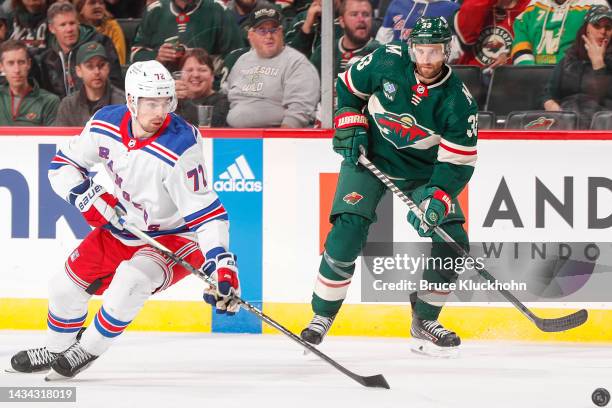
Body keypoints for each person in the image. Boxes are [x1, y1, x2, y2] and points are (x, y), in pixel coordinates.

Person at [8, 59, 240, 380]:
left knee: (131, 282)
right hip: (123, 227)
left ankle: (85, 349)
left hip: (174, 237)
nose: (160, 111)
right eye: (151, 102)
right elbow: (63, 163)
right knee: (63, 287)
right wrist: (84, 195)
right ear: (131, 100)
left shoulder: (181, 146)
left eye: (166, 101)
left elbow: (207, 212)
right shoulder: (105, 122)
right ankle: (56, 348)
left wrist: (221, 261)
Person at [300, 17, 478, 357]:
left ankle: (425, 319)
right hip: (371, 158)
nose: (426, 60)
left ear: (447, 52)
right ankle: (321, 315)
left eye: (435, 51)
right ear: (411, 48)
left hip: (423, 173)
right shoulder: (386, 59)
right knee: (348, 228)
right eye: (421, 50)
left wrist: (438, 196)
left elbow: (457, 163)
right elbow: (348, 89)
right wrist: (349, 120)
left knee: (453, 239)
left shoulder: (459, 102)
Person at [224, 4, 320, 128]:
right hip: (232, 136)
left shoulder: (296, 63)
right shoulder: (242, 61)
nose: (269, 36)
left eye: (273, 29)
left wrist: (279, 141)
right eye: (262, 30)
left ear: (281, 32)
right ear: (251, 35)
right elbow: (227, 96)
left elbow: (299, 112)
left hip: (274, 139)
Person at [542, 5, 612, 128]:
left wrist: (599, 65)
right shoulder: (569, 59)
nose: (603, 32)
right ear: (586, 29)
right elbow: (548, 94)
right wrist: (553, 107)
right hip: (566, 123)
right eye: (596, 26)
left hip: (603, 126)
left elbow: (604, 98)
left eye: (608, 27)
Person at [37, 1, 122, 98]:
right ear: (52, 28)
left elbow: (116, 84)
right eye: (63, 25)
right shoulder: (47, 57)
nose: (69, 29)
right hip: (61, 110)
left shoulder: (101, 43)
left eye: (72, 23)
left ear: (78, 23)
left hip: (98, 106)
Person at [130, 0, 244, 72]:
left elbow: (237, 55)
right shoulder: (155, 10)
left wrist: (209, 72)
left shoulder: (219, 10)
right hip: (162, 88)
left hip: (206, 91)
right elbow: (136, 53)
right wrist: (157, 58)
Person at [511, 0, 608, 65]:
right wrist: (528, 70)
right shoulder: (534, 6)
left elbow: (602, 41)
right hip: (533, 77)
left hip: (575, 77)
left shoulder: (595, 4)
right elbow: (521, 39)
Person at [54, 41, 125, 126]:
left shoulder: (123, 103)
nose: (97, 72)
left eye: (101, 65)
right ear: (78, 71)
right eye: (90, 66)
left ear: (108, 68)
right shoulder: (68, 105)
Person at [309, 0, 380, 76]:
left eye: (366, 15)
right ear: (342, 21)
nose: (361, 19)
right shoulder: (323, 52)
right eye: (354, 14)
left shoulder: (382, 53)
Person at [454, 0, 529, 69]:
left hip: (511, 79)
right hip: (473, 78)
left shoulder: (529, 10)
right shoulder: (477, 8)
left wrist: (510, 56)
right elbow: (467, 38)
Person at [0, 39, 59, 125]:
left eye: (21, 62)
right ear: (1, 67)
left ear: (29, 64)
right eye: (10, 63)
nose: (17, 70)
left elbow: (53, 137)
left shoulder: (49, 101)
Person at [174, 48, 229, 127]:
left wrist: (184, 100)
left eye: (202, 70)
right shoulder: (172, 102)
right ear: (180, 75)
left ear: (212, 76)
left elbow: (206, 125)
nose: (196, 75)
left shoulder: (223, 102)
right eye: (189, 70)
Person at [374, 0, 459, 44]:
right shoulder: (397, 3)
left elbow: (454, 49)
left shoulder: (452, 9)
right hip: (395, 66)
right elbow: (382, 41)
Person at [74, 0, 127, 65]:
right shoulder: (75, 29)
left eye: (101, 3)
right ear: (80, 9)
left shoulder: (113, 27)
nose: (98, 6)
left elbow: (119, 60)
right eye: (92, 3)